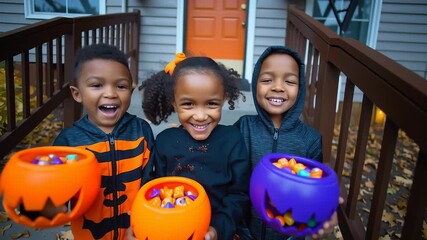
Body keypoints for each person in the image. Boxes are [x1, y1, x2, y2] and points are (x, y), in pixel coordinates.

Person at [42, 43, 154, 240]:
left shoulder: (141, 131)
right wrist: (50, 205)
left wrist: (146, 221)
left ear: (131, 90)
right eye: (96, 85)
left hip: (136, 231)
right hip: (89, 234)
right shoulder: (68, 143)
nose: (111, 93)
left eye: (121, 86)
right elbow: (58, 193)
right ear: (77, 94)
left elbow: (150, 182)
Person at [234, 45, 340, 240]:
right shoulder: (242, 128)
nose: (278, 87)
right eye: (267, 80)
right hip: (243, 233)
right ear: (255, 83)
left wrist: (325, 207)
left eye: (289, 81)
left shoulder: (311, 140)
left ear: (300, 89)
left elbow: (316, 189)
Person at [140, 53, 250, 240]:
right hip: (173, 231)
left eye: (211, 104)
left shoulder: (232, 140)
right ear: (174, 103)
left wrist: (218, 230)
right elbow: (156, 189)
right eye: (188, 104)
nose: (200, 116)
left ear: (223, 99)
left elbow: (239, 194)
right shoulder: (165, 141)